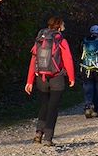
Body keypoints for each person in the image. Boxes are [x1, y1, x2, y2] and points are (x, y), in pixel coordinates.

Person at [25, 17, 76, 146]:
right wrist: (71, 77)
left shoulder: (40, 40)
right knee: (53, 108)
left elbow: (33, 60)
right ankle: (48, 138)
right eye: (63, 24)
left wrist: (29, 81)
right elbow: (68, 59)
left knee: (44, 105)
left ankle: (38, 133)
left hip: (41, 77)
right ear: (59, 26)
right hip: (57, 78)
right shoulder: (61, 40)